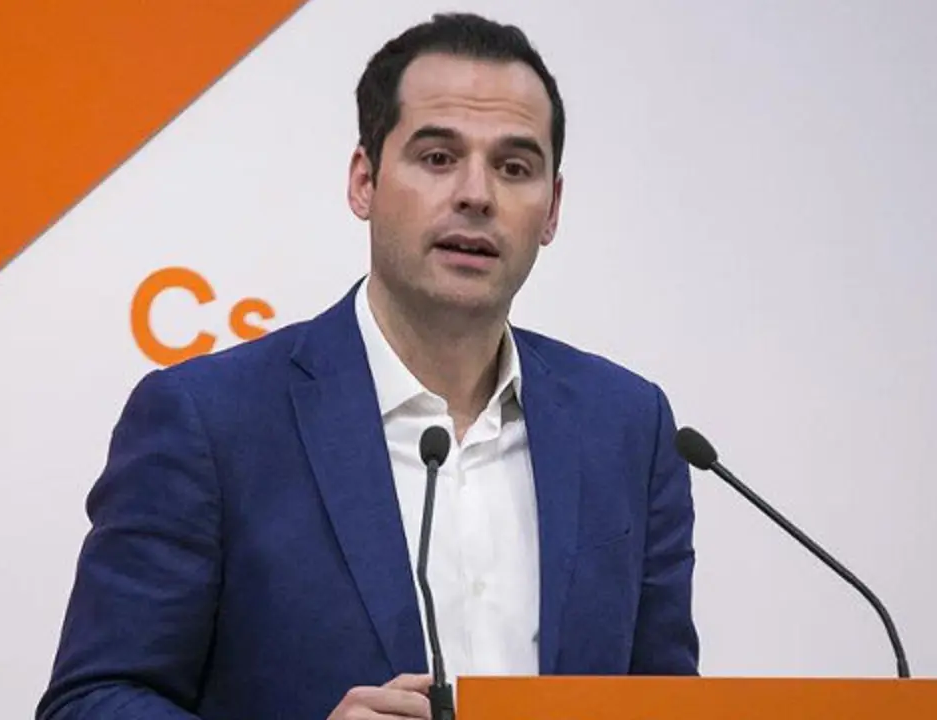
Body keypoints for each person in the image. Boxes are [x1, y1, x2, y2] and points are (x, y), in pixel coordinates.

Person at [36, 12, 698, 720]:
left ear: (552, 209)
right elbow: (90, 702)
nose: (477, 195)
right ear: (363, 182)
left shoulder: (627, 428)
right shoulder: (209, 421)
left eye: (514, 167)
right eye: (437, 157)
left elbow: (665, 703)